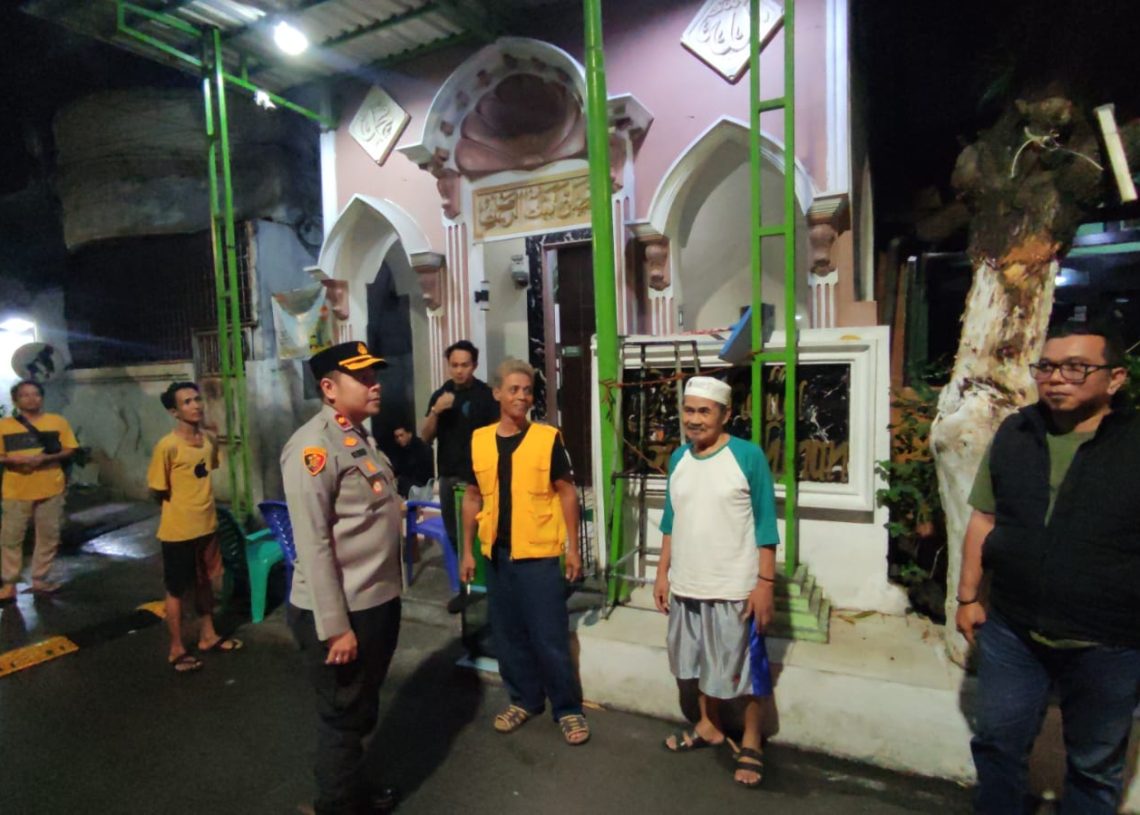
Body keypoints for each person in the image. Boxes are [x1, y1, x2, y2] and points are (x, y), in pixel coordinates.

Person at [956, 320, 1140, 815]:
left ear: (1115, 378)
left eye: (1077, 368)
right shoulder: (1017, 432)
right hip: (1013, 629)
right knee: (996, 743)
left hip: (1111, 639)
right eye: (1048, 367)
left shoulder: (1133, 444)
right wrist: (968, 597)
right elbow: (984, 517)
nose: (1057, 378)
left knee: (1095, 764)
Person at [282, 341, 402, 815]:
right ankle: (336, 805)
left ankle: (350, 789)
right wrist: (335, 626)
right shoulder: (313, 447)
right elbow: (312, 543)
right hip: (343, 610)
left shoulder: (355, 436)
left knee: (360, 710)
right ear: (329, 388)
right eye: (364, 378)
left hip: (374, 600)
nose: (376, 384)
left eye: (376, 375)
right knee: (342, 716)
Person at [652, 375, 779, 788]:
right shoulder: (679, 459)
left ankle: (753, 741)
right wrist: (661, 572)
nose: (694, 419)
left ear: (726, 415)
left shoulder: (747, 457)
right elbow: (671, 520)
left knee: (745, 671)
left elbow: (765, 524)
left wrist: (765, 584)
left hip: (734, 588)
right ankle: (709, 725)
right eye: (689, 410)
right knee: (697, 664)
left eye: (704, 411)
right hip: (688, 585)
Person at [459, 358, 589, 746]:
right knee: (509, 635)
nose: (521, 396)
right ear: (497, 393)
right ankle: (524, 700)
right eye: (513, 389)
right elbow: (471, 496)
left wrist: (572, 548)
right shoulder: (480, 440)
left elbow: (566, 492)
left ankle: (568, 709)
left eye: (527, 390)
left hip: (539, 556)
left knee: (549, 636)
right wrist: (467, 551)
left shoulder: (547, 439)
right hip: (497, 556)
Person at [147, 381, 241, 674]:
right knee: (176, 590)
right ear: (174, 412)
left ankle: (208, 635)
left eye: (197, 399)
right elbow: (156, 489)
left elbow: (205, 472)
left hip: (207, 526)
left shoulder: (208, 441)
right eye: (187, 402)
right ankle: (176, 649)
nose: (196, 405)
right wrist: (181, 509)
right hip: (178, 531)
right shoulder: (167, 446)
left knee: (205, 583)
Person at [422, 340, 499, 613]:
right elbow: (425, 436)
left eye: (464, 365)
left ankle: (493, 587)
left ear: (474, 366)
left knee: (487, 534)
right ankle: (466, 589)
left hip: (480, 479)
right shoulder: (440, 395)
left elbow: (498, 436)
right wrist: (435, 411)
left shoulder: (487, 395)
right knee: (456, 537)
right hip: (449, 476)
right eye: (454, 365)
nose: (459, 371)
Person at [0, 380, 77, 600]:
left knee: (49, 535)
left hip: (51, 486)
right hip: (16, 489)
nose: (31, 398)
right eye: (25, 395)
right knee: (11, 537)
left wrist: (47, 458)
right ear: (16, 400)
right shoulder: (4, 426)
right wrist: (12, 460)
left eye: (35, 394)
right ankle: (9, 584)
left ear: (42, 398)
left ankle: (40, 579)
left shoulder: (57, 422)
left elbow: (70, 449)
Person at [391, 424, 434, 501]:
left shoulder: (421, 447)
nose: (399, 439)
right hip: (411, 484)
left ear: (409, 434)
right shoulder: (399, 450)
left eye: (401, 435)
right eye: (397, 437)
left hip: (422, 484)